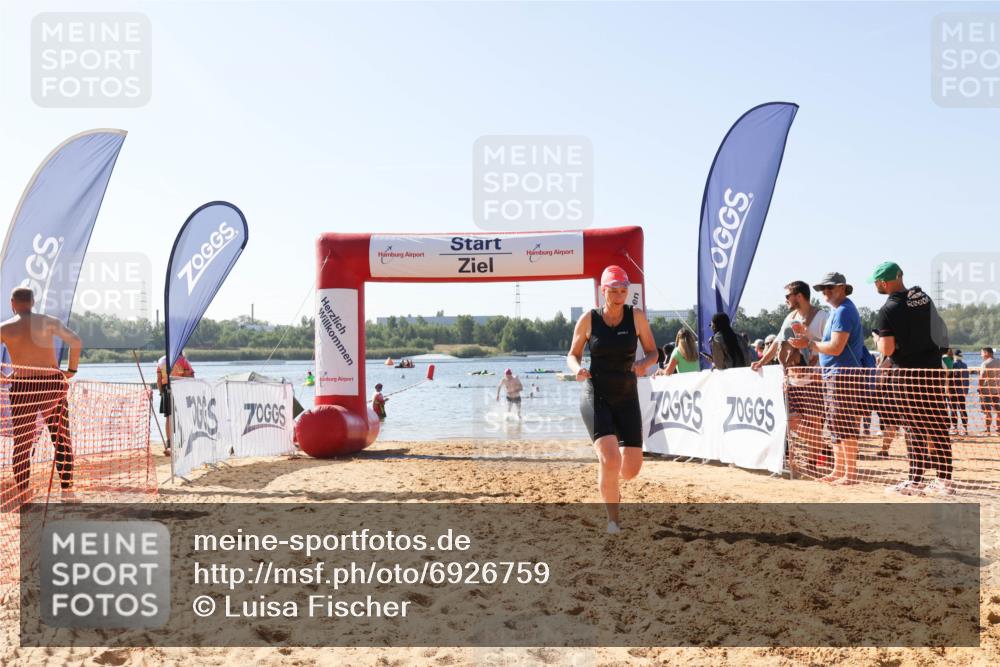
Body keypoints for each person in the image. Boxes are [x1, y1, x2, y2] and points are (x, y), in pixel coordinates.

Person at [568, 265, 658, 535]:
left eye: (623, 291)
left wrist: (643, 363)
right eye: (614, 291)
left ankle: (609, 480)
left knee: (629, 471)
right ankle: (613, 521)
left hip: (627, 396)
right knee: (609, 460)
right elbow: (572, 354)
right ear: (603, 292)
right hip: (596, 395)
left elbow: (654, 352)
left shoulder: (636, 317)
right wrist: (577, 370)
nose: (619, 296)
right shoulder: (589, 319)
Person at [868, 262, 953, 496]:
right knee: (938, 425)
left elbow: (886, 347)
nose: (875, 286)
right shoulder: (924, 299)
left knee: (914, 427)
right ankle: (945, 481)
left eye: (876, 283)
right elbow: (942, 335)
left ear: (883, 283)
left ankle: (915, 481)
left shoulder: (888, 309)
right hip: (933, 372)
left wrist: (876, 339)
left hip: (907, 375)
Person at [790, 272, 875, 485]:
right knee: (835, 423)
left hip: (843, 375)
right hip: (835, 374)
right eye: (823, 289)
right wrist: (808, 339)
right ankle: (839, 471)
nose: (825, 292)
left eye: (830, 288)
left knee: (843, 424)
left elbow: (836, 348)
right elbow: (829, 346)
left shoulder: (844, 311)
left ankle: (850, 474)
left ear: (843, 288)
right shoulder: (837, 310)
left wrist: (808, 344)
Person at [0, 287, 81, 503]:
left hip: (23, 386)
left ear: (12, 303)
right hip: (50, 384)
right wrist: (71, 371)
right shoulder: (49, 322)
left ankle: (24, 493)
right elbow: (76, 342)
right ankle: (67, 491)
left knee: (22, 442)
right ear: (33, 301)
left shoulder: (5, 328)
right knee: (61, 437)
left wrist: (2, 374)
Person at [753, 280, 830, 474]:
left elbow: (831, 345)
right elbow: (776, 344)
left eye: (788, 296)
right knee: (791, 422)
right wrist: (762, 362)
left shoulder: (822, 317)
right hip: (793, 380)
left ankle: (812, 464)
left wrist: (809, 343)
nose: (786, 300)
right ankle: (823, 448)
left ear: (799, 296)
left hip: (815, 379)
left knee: (814, 422)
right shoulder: (790, 317)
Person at [156, 351, 195, 453]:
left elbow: (159, 380)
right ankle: (182, 440)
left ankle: (169, 442)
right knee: (181, 416)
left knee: (169, 417)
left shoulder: (161, 361)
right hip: (180, 388)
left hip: (166, 389)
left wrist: (161, 393)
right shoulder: (182, 360)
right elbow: (189, 376)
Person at [951, 350, 970, 436]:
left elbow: (951, 378)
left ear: (955, 356)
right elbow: (966, 379)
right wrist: (966, 390)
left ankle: (955, 428)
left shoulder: (953, 365)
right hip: (962, 390)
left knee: (953, 409)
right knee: (962, 409)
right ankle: (965, 428)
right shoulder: (965, 365)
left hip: (954, 391)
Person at [981, 347, 999, 435]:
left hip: (986, 390)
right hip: (996, 390)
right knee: (998, 410)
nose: (981, 355)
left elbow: (981, 378)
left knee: (987, 412)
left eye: (982, 353)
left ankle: (988, 430)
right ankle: (998, 429)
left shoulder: (985, 363)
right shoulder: (999, 361)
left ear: (986, 353)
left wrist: (979, 388)